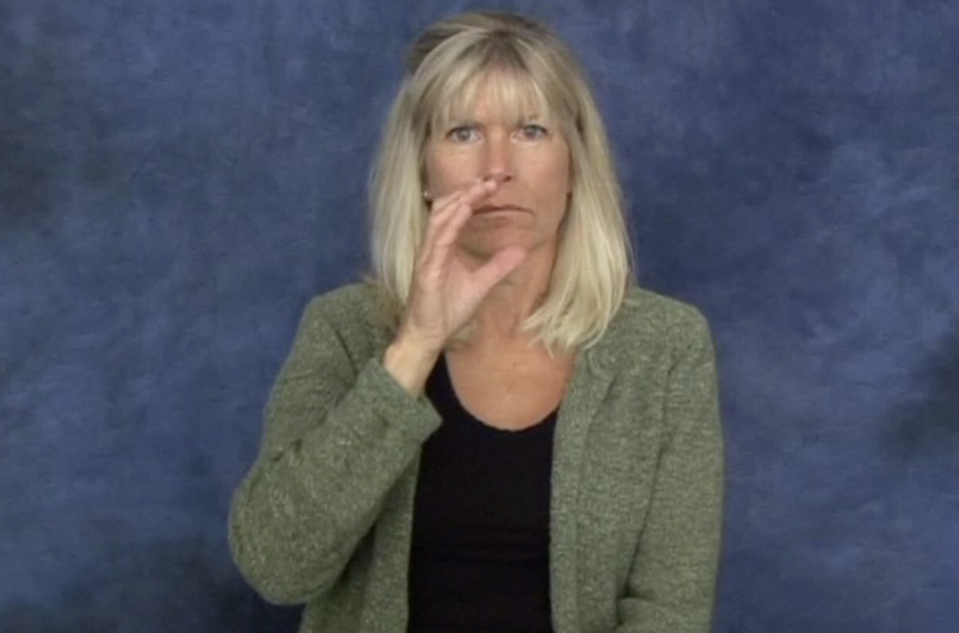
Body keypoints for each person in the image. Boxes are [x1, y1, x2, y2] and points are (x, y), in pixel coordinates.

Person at [229, 10, 724, 633]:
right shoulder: (345, 330)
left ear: (576, 164)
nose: (498, 169)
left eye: (531, 131)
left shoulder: (665, 348)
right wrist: (414, 347)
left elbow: (669, 611)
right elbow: (277, 567)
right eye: (463, 133)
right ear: (423, 170)